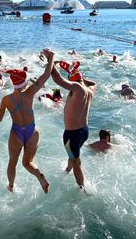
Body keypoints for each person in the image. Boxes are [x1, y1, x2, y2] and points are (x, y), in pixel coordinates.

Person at [0, 49, 54, 194]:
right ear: (24, 83)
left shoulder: (6, 100)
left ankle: (11, 186)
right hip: (32, 131)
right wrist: (51, 58)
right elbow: (46, 75)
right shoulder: (29, 93)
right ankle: (39, 174)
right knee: (27, 163)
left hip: (17, 133)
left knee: (12, 162)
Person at [51, 60, 96, 190]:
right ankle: (67, 170)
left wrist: (51, 62)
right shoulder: (89, 90)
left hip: (72, 134)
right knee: (73, 155)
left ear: (73, 82)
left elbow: (57, 79)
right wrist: (77, 75)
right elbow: (93, 83)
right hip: (84, 131)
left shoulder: (77, 88)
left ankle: (82, 189)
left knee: (77, 162)